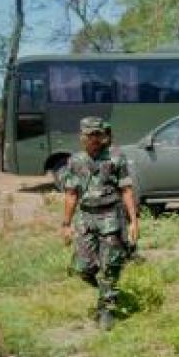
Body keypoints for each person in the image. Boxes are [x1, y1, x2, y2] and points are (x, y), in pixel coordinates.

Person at [62, 117, 139, 331]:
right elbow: (70, 194)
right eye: (89, 135)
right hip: (85, 219)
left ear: (103, 135)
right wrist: (66, 225)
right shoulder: (75, 161)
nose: (94, 139)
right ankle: (106, 289)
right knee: (83, 268)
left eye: (97, 134)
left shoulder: (115, 157)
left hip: (110, 216)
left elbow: (126, 190)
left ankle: (106, 308)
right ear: (82, 137)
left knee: (110, 266)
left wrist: (133, 221)